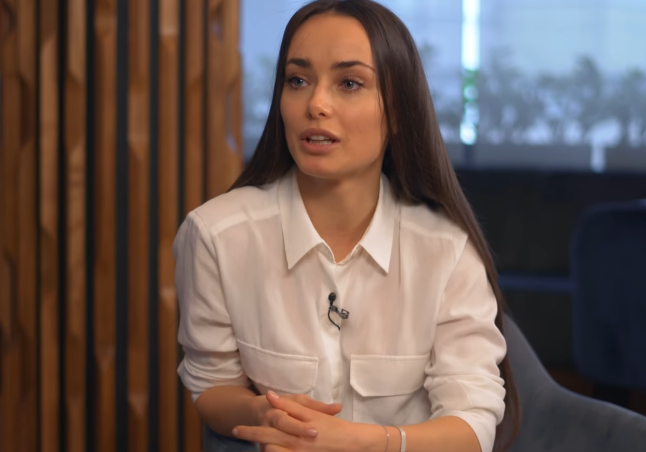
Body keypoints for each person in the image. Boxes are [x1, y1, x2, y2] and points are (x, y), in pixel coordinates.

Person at [174, 1, 520, 451]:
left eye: (350, 83)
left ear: (398, 111)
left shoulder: (448, 251)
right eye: (297, 80)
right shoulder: (215, 235)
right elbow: (211, 384)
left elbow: (473, 426)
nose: (315, 104)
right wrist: (266, 414)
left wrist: (360, 442)